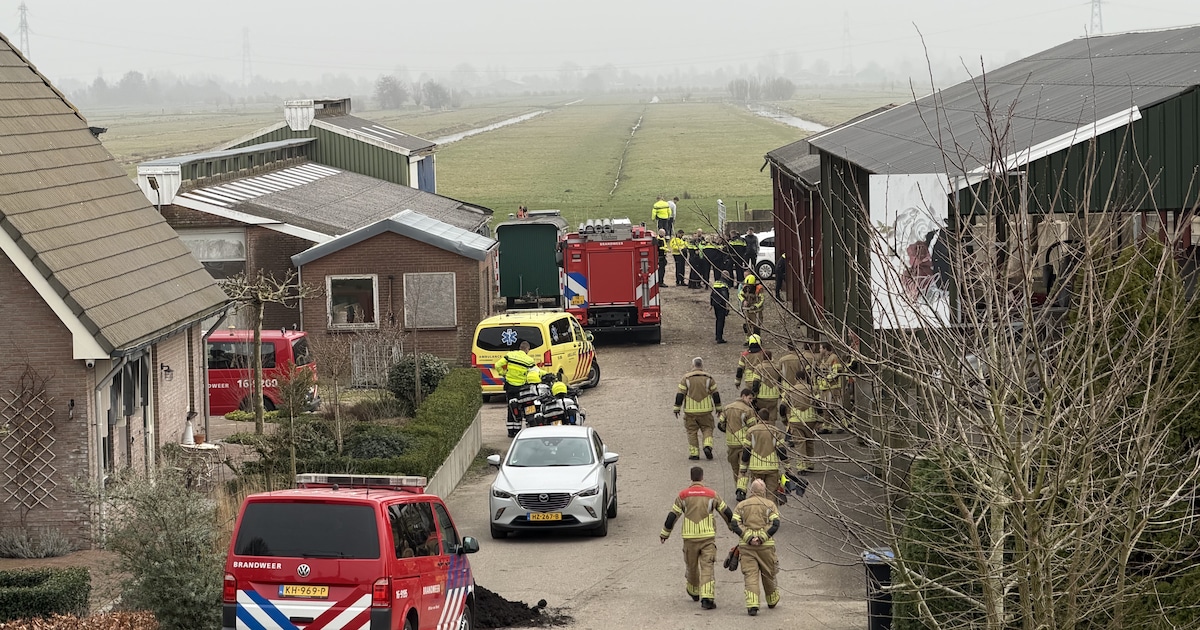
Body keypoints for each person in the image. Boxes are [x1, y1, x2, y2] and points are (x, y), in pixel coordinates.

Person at [660, 466, 734, 611]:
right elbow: (726, 511)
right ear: (702, 478)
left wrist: (665, 533)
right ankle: (707, 598)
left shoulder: (683, 495)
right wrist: (733, 527)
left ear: (691, 478)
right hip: (707, 537)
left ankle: (694, 590)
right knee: (707, 566)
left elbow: (672, 516)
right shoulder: (712, 494)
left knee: (691, 566)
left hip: (689, 538)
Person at [731, 478, 782, 616]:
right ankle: (772, 600)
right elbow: (775, 524)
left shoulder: (741, 506)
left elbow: (735, 524)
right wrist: (761, 537)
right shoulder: (770, 505)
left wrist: (748, 537)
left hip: (746, 548)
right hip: (766, 547)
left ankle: (752, 605)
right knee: (768, 573)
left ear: (751, 491)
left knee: (750, 575)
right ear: (763, 491)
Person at [674, 357, 723, 460]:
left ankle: (694, 453)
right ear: (702, 366)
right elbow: (716, 394)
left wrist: (677, 408)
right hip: (705, 410)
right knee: (707, 428)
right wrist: (718, 408)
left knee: (692, 431)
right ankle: (707, 446)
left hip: (690, 411)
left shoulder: (686, 378)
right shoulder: (709, 378)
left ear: (693, 366)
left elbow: (680, 395)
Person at [739, 408, 788, 502]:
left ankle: (759, 512)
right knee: (772, 494)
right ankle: (771, 514)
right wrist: (787, 467)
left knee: (757, 493)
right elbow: (782, 451)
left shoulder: (751, 431)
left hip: (756, 467)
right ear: (768, 418)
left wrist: (743, 468)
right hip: (772, 467)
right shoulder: (775, 431)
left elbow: (746, 451)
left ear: (758, 417)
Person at [779, 372, 822, 473]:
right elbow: (819, 404)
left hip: (796, 419)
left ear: (796, 378)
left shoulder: (790, 390)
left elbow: (782, 407)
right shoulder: (812, 389)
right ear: (805, 378)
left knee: (799, 443)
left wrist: (784, 419)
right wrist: (820, 419)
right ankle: (810, 464)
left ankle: (802, 466)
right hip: (810, 419)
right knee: (810, 441)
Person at [495, 340, 538, 437]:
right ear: (527, 349)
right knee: (523, 407)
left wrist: (503, 373)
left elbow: (497, 365)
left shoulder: (510, 355)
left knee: (511, 408)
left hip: (510, 387)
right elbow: (536, 371)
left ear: (520, 348)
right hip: (522, 388)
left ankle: (511, 432)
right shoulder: (529, 360)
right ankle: (521, 431)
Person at [719, 389, 757, 485]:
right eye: (750, 398)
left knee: (735, 468)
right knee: (743, 468)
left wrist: (727, 431)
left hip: (731, 443)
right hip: (743, 444)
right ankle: (741, 490)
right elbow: (753, 428)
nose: (751, 401)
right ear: (743, 396)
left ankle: (737, 487)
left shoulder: (727, 408)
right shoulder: (748, 410)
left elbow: (720, 424)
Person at [816, 342, 846, 434]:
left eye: (821, 348)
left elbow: (837, 371)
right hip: (825, 387)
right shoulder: (824, 358)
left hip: (833, 387)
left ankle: (843, 425)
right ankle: (827, 426)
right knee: (826, 408)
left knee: (836, 406)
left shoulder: (834, 358)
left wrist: (828, 379)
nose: (819, 350)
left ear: (825, 349)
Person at [710, 272, 731, 344]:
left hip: (715, 303)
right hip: (721, 304)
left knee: (717, 320)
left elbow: (712, 294)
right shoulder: (724, 284)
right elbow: (725, 295)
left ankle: (717, 335)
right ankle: (719, 338)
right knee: (721, 321)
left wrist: (711, 304)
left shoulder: (716, 282)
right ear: (726, 276)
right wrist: (727, 305)